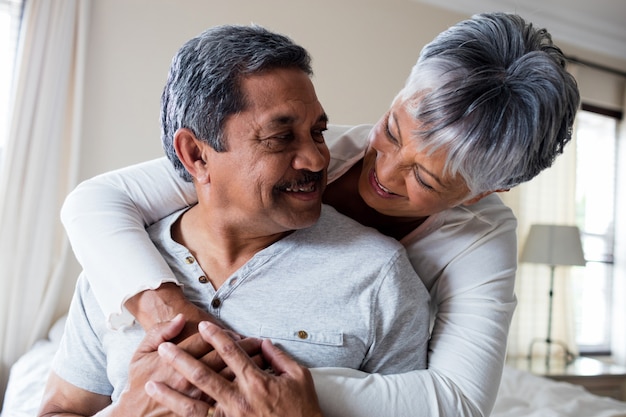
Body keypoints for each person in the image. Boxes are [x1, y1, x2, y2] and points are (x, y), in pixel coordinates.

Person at [59, 11, 580, 417]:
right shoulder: (282, 155)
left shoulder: (445, 255)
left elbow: (457, 403)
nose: (385, 169)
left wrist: (265, 386)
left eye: (425, 179)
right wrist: (172, 325)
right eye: (392, 130)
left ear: (485, 192)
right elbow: (94, 203)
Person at [38, 24, 430, 417]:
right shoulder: (118, 270)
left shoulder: (380, 277)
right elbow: (59, 408)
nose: (316, 159)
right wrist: (127, 412)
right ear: (196, 155)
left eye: (317, 132)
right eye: (280, 138)